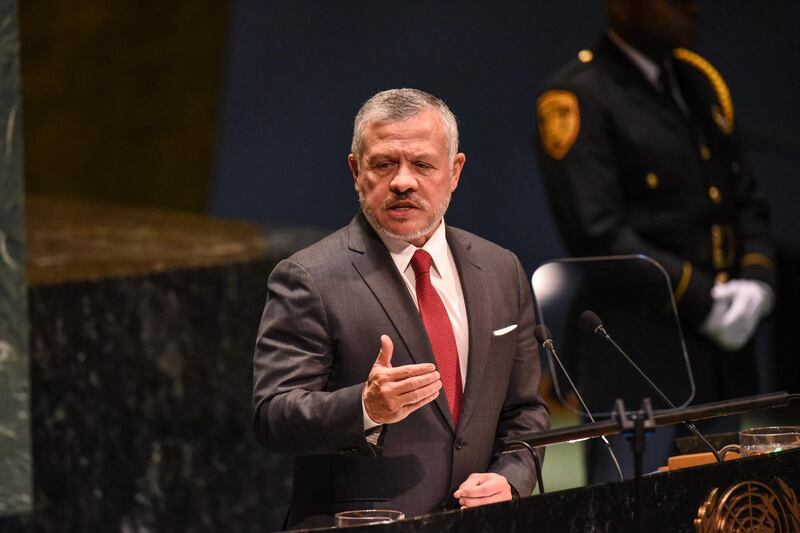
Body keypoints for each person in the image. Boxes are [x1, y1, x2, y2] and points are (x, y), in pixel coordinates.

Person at [253, 88, 550, 528]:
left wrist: (511, 479)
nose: (403, 182)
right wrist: (366, 408)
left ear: (455, 171)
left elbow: (525, 410)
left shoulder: (500, 268)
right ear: (356, 171)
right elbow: (273, 416)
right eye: (384, 164)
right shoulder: (309, 277)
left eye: (423, 164)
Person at [532, 0, 775, 482]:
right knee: (634, 514)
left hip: (721, 361)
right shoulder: (578, 95)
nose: (692, 7)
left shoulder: (698, 84)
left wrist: (756, 281)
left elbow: (743, 198)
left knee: (729, 509)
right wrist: (706, 301)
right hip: (636, 358)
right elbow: (598, 234)